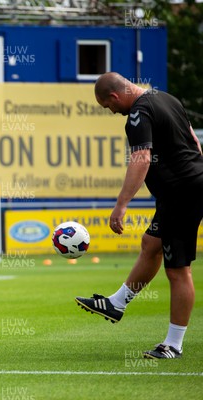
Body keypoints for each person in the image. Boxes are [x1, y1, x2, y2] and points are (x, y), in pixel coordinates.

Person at [75, 72, 203, 359]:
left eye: (108, 106)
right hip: (185, 188)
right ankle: (116, 304)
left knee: (178, 270)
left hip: (181, 192)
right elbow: (194, 141)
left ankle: (173, 345)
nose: (111, 111)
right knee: (151, 244)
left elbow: (142, 157)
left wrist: (121, 204)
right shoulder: (166, 98)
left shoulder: (139, 113)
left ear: (115, 96)